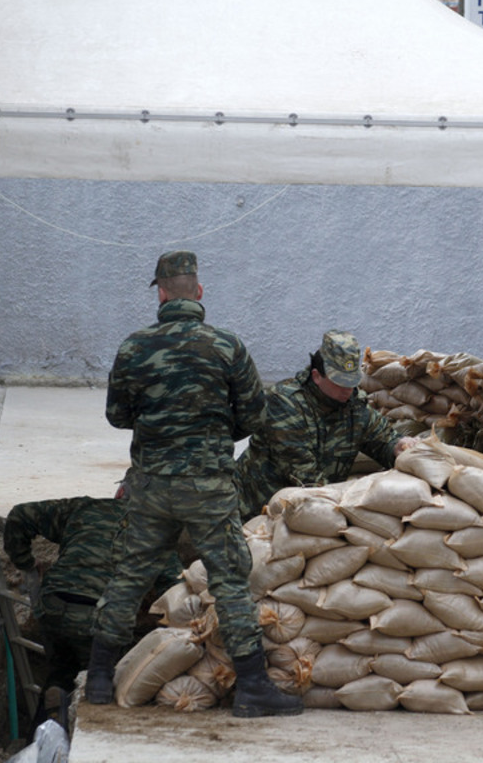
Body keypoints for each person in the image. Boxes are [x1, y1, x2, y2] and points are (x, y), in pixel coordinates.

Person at [85, 250, 301, 718]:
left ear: (161, 294)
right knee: (230, 580)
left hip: (150, 485)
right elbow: (254, 415)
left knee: (128, 576)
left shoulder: (133, 348)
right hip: (208, 487)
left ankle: (99, 679)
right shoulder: (228, 346)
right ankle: (253, 687)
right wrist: (212, 433)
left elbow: (117, 415)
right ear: (198, 292)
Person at [3, 495, 183, 718]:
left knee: (61, 672)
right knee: (108, 678)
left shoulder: (83, 507)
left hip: (53, 604)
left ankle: (44, 730)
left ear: (119, 493)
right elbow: (176, 588)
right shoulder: (156, 529)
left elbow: (20, 514)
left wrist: (26, 562)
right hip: (100, 616)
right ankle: (81, 729)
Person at [234, 330, 418, 521]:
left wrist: (397, 447)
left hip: (310, 514)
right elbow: (306, 478)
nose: (347, 389)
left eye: (352, 381)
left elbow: (382, 439)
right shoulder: (285, 404)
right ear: (316, 376)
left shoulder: (353, 407)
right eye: (340, 382)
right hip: (254, 512)